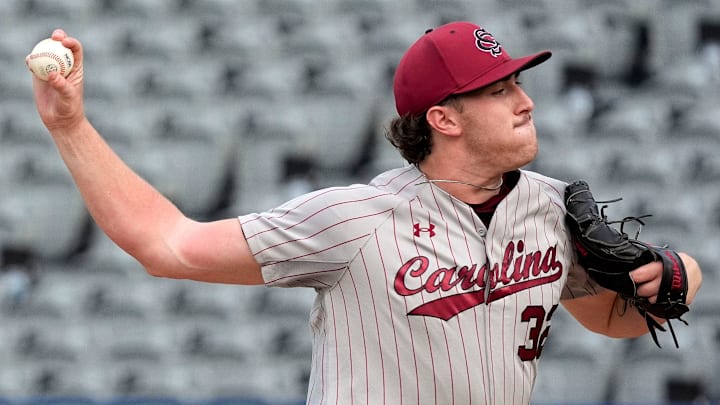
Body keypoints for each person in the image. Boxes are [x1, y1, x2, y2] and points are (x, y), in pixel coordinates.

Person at [29, 21, 702, 404]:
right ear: (444, 119)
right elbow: (165, 244)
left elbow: (614, 320)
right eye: (498, 89)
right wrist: (70, 126)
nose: (524, 99)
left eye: (519, 81)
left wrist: (675, 276)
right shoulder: (355, 218)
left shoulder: (553, 209)